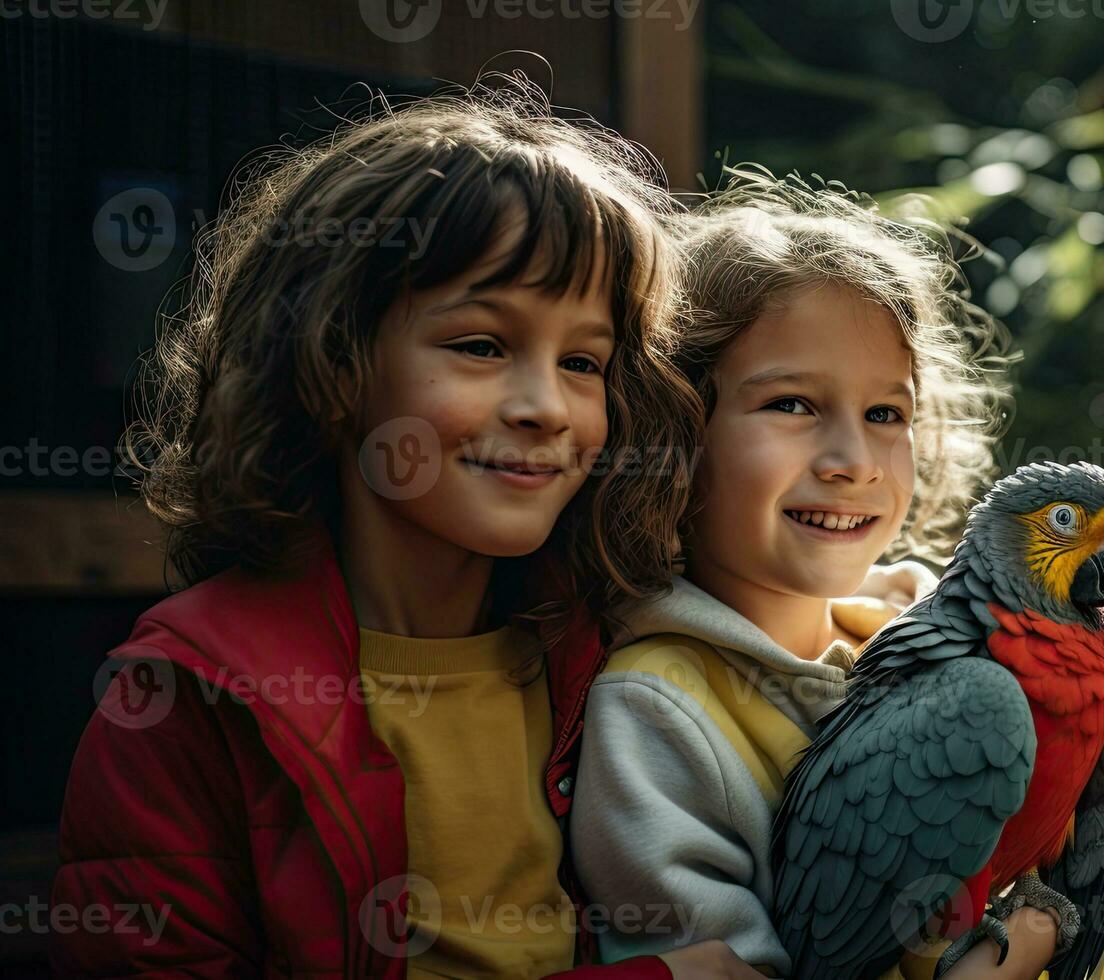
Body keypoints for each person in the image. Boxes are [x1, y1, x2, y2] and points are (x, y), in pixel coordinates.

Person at [52, 79, 761, 979]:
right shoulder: (182, 703)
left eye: (583, 361)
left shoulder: (618, 654)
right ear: (333, 357)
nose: (548, 407)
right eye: (481, 346)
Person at [573, 171, 1104, 980]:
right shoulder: (657, 707)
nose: (850, 463)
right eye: (793, 405)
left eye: (886, 415)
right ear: (674, 425)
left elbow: (1092, 855)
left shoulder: (932, 628)